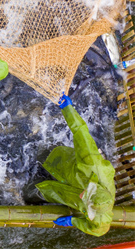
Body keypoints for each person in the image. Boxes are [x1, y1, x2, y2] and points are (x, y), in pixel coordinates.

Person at [38, 95, 114, 236]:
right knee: (37, 152)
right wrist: (68, 109)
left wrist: (74, 221)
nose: (81, 195)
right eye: (87, 192)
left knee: (32, 191)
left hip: (60, 192)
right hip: (59, 161)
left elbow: (99, 231)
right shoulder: (92, 162)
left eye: (85, 198)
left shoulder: (101, 216)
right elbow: (81, 132)